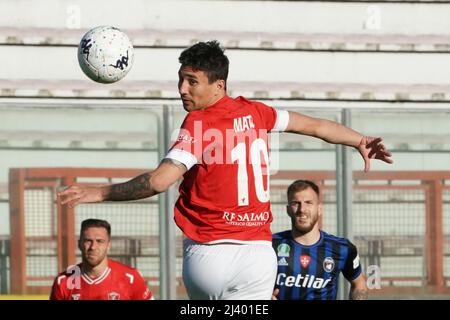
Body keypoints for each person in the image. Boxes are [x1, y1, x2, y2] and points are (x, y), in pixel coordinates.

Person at [58, 40, 392, 300]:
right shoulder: (259, 112)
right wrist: (359, 139)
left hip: (210, 256)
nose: (182, 89)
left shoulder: (199, 123)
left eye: (192, 82)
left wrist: (100, 192)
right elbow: (316, 126)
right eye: (180, 80)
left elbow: (159, 181)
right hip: (259, 258)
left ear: (219, 85)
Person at [272, 180, 368, 300]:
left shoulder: (342, 248)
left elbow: (359, 283)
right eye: (296, 203)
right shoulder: (271, 245)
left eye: (308, 203)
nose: (302, 209)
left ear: (319, 209)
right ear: (287, 210)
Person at [50, 218, 154, 300]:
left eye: (99, 241)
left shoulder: (130, 279)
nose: (93, 247)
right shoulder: (64, 281)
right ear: (79, 244)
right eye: (88, 241)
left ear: (108, 245)